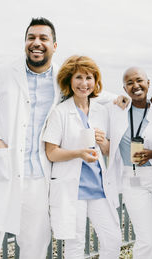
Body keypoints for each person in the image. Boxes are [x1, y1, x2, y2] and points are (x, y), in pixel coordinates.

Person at [0, 17, 117, 259]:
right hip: (2, 171)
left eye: (43, 38)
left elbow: (96, 92)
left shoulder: (62, 79)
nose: (36, 43)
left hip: (39, 179)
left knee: (34, 246)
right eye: (31, 38)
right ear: (25, 43)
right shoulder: (3, 73)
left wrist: (132, 98)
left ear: (55, 46)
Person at [42, 55, 122, 259]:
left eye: (89, 78)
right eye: (78, 77)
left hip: (98, 187)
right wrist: (78, 152)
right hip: (72, 188)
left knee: (112, 239)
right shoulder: (60, 112)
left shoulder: (100, 110)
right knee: (75, 245)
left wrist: (103, 141)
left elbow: (106, 151)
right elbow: (51, 152)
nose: (84, 83)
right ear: (69, 80)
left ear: (96, 81)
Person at [106, 67, 152, 259]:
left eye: (139, 80)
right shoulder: (117, 111)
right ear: (124, 88)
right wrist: (116, 97)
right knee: (147, 239)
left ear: (148, 83)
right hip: (133, 181)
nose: (135, 86)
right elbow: (92, 95)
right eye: (129, 83)